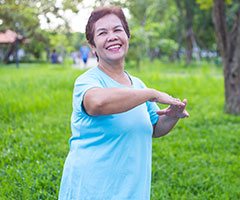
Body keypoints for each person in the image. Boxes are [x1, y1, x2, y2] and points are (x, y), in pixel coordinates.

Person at [58, 6, 189, 200]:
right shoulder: (88, 81)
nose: (112, 36)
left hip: (131, 191)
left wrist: (172, 117)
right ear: (93, 46)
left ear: (127, 36)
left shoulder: (137, 84)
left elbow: (154, 128)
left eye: (117, 30)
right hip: (91, 190)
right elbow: (97, 104)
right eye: (102, 33)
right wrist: (150, 94)